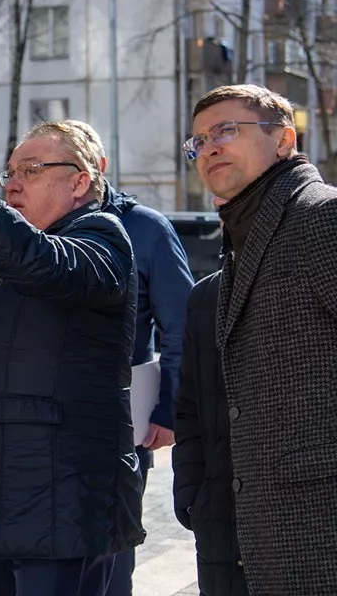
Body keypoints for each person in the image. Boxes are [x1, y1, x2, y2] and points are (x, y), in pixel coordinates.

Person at [0, 94, 143, 596]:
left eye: (31, 167)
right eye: (9, 172)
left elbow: (45, 263)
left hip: (63, 505)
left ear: (80, 182)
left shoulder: (103, 238)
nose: (13, 183)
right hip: (3, 496)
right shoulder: (15, 257)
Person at [183, 84, 337, 593]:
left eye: (227, 129)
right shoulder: (243, 240)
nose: (210, 147)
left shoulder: (322, 216)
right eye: (199, 140)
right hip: (249, 534)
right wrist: (197, 494)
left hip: (317, 536)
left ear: (284, 140)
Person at [67, 121, 194, 596]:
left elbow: (179, 327)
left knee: (110, 555)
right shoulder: (33, 224)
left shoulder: (145, 228)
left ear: (97, 169)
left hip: (125, 423)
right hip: (47, 426)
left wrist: (169, 410)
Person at [173, 197, 248, 596]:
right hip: (217, 511)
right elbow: (188, 407)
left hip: (296, 523)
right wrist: (190, 489)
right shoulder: (205, 298)